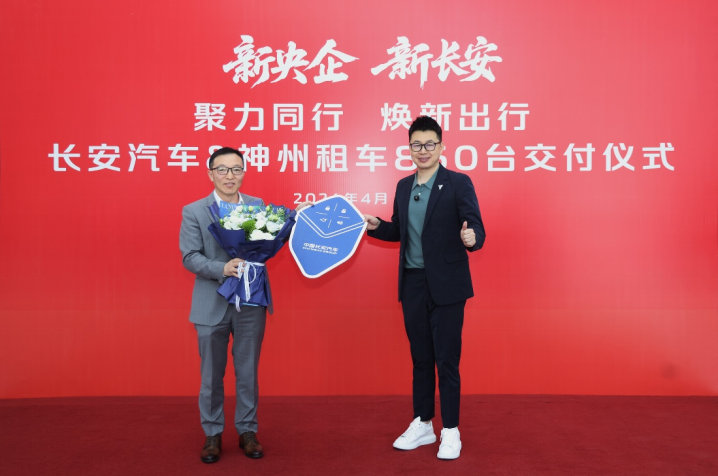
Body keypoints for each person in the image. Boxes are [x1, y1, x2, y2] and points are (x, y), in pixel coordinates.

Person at [363, 116, 485, 460]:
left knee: (447, 361)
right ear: (409, 148)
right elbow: (399, 231)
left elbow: (476, 226)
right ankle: (424, 423)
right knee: (421, 358)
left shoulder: (458, 182)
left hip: (447, 285)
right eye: (416, 144)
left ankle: (451, 431)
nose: (423, 150)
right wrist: (377, 226)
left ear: (442, 146)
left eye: (430, 143)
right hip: (413, 283)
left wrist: (472, 238)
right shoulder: (404, 186)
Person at [179, 146, 309, 463]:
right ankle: (212, 434)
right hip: (210, 303)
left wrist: (295, 218)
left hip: (251, 300)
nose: (230, 175)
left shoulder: (257, 206)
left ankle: (247, 431)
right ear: (210, 173)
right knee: (211, 375)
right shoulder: (194, 211)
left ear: (243, 173)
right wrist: (221, 268)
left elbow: (270, 240)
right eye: (222, 169)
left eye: (236, 169)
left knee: (247, 372)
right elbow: (190, 256)